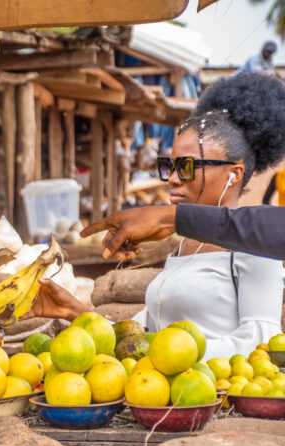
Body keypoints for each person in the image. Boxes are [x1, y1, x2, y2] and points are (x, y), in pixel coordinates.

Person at [31, 73, 285, 359]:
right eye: (170, 166)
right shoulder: (185, 245)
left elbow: (263, 345)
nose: (173, 179)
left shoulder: (256, 249)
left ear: (233, 173)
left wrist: (162, 352)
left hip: (214, 400)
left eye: (187, 166)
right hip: (156, 399)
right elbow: (141, 336)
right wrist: (79, 313)